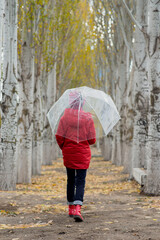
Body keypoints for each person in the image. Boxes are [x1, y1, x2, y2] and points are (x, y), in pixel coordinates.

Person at [55, 91, 96, 222]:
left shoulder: (64, 118)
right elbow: (92, 140)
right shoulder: (88, 118)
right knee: (80, 181)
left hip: (69, 153)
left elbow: (59, 136)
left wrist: (64, 147)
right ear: (82, 103)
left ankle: (71, 208)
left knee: (70, 180)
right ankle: (78, 208)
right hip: (83, 154)